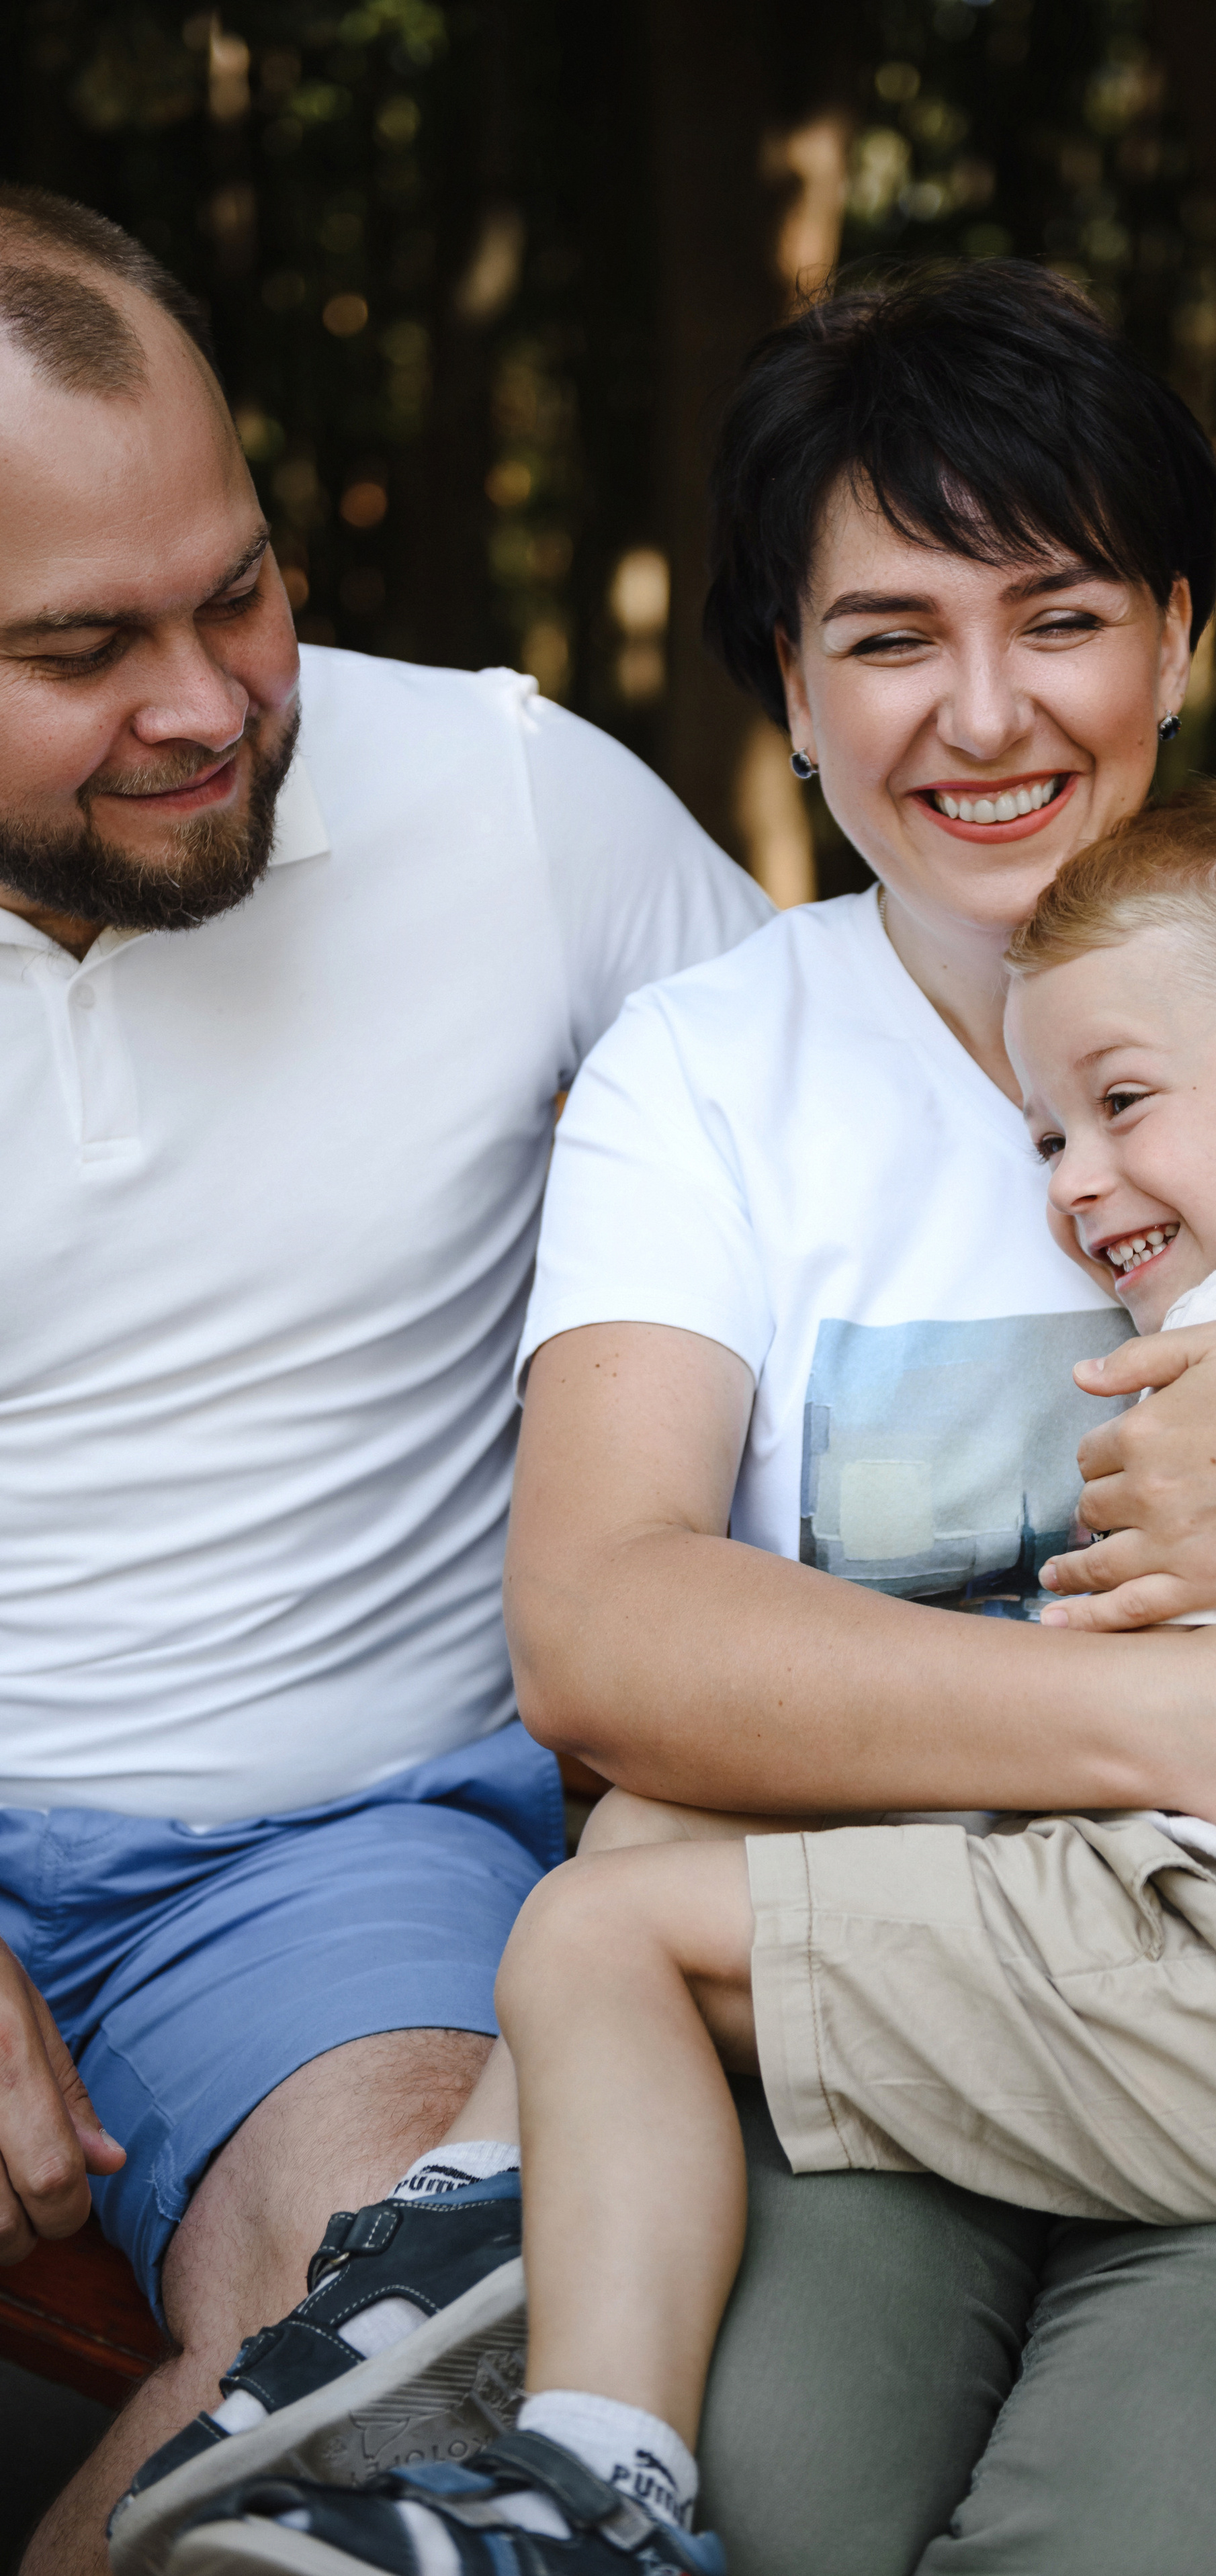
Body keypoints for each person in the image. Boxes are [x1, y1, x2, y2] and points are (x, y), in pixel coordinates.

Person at [122, 261, 1216, 2576]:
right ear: (786, 681)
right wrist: (1187, 1726)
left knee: (1178, 2520)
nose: (985, 713)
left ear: (1178, 632)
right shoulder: (717, 1072)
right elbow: (602, 1626)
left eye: (1058, 615)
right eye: (885, 635)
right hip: (895, 2004)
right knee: (755, 2504)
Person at [0, 185, 768, 2576]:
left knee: (415, 2307)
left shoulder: (515, 809)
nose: (215, 701)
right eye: (82, 644)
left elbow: (866, 1170)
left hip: (329, 1858)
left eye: (238, 587)